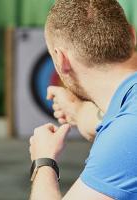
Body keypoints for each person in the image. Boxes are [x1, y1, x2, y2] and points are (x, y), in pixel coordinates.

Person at [29, 0, 137, 199]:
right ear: (132, 35)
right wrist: (77, 111)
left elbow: (123, 134)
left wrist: (43, 160)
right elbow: (103, 122)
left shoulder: (128, 131)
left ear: (61, 60)